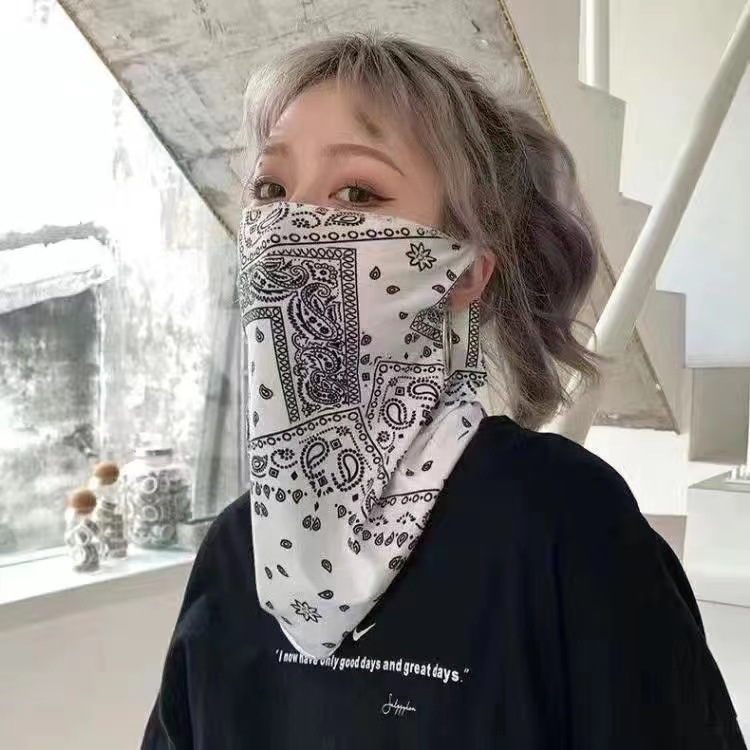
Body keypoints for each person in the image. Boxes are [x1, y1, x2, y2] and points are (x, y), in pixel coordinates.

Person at [142, 34, 745, 749]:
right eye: (271, 190)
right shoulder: (233, 552)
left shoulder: (565, 522)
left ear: (463, 272)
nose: (287, 228)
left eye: (357, 192)